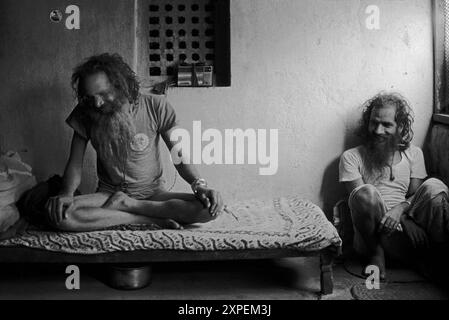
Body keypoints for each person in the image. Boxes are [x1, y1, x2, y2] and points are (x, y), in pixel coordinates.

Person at [45, 53, 224, 232]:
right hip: (108, 195)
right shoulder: (85, 112)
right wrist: (66, 194)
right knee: (61, 217)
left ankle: (129, 206)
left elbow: (179, 156)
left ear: (121, 86)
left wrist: (199, 186)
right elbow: (75, 164)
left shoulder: (155, 106)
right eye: (91, 97)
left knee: (210, 209)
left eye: (103, 94)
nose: (97, 103)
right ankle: (146, 220)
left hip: (154, 195)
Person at [339, 92, 449, 280]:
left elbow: (416, 197)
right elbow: (359, 201)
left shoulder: (414, 154)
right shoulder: (351, 157)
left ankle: (436, 255)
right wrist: (401, 219)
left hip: (408, 234)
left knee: (435, 185)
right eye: (374, 122)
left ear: (400, 126)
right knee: (366, 193)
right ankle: (377, 256)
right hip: (371, 237)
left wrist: (402, 215)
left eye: (387, 124)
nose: (378, 130)